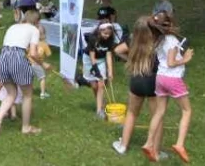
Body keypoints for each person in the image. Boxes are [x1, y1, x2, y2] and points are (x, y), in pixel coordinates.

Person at [111, 16, 166, 158]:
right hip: (154, 81)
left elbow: (117, 50)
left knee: (131, 113)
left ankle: (123, 146)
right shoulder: (159, 41)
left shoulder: (132, 41)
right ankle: (156, 152)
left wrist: (131, 59)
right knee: (157, 116)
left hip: (136, 81)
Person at [145, 12, 194, 163]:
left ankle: (149, 143)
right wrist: (185, 59)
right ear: (170, 24)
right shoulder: (171, 39)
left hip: (160, 78)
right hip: (172, 78)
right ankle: (179, 144)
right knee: (187, 110)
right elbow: (171, 63)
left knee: (159, 112)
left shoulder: (157, 39)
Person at [0, 9, 42, 137]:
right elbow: (33, 53)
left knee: (10, 94)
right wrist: (42, 63)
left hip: (3, 57)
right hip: (18, 57)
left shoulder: (13, 26)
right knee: (27, 95)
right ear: (37, 22)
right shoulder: (34, 30)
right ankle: (26, 127)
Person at [82, 23, 117, 119]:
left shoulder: (110, 41)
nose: (107, 35)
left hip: (101, 60)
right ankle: (101, 102)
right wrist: (96, 70)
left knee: (101, 84)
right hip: (89, 60)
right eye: (105, 33)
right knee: (94, 86)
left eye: (109, 34)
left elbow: (108, 56)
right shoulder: (93, 39)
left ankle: (99, 111)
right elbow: (92, 56)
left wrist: (110, 71)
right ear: (99, 31)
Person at [30, 23, 52, 99]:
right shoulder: (44, 44)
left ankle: (30, 91)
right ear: (43, 35)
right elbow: (49, 54)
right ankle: (42, 93)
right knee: (42, 78)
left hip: (29, 63)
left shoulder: (31, 43)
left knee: (30, 78)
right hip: (37, 64)